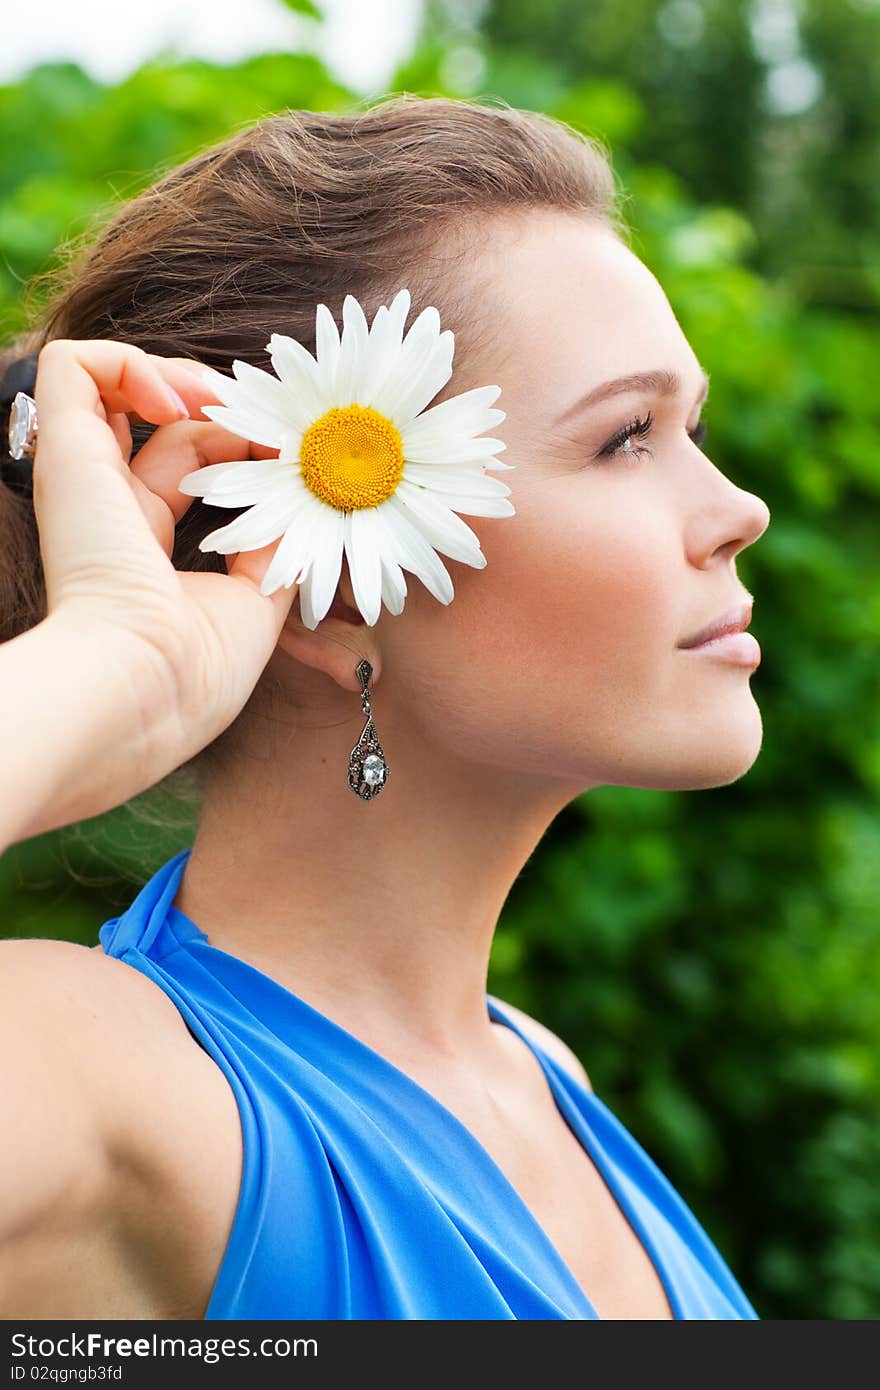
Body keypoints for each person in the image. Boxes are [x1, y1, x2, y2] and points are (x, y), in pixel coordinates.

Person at [0, 95, 770, 1320]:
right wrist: (118, 655)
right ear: (327, 591)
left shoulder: (537, 1073)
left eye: (693, 426)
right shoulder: (111, 1081)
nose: (741, 508)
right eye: (627, 435)